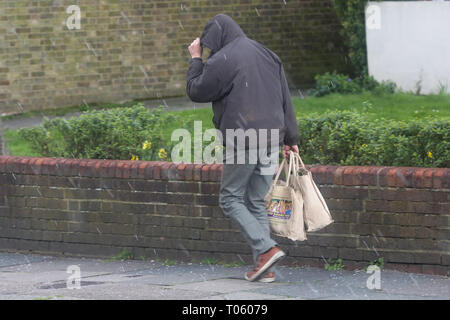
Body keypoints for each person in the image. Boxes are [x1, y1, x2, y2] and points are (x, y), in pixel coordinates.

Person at [186, 14, 299, 282]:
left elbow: (196, 91)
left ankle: (266, 249)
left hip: (243, 137)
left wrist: (195, 58)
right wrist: (291, 138)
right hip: (272, 136)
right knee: (257, 200)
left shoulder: (222, 59)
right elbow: (285, 97)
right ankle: (266, 268)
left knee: (230, 198)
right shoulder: (267, 53)